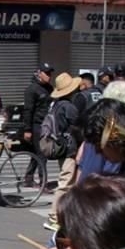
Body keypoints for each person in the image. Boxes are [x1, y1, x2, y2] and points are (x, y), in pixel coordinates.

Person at [45, 73, 83, 230]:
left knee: (67, 181)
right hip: (69, 148)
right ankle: (54, 216)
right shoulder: (69, 107)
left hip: (61, 146)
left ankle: (62, 214)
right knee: (65, 182)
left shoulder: (56, 105)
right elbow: (77, 127)